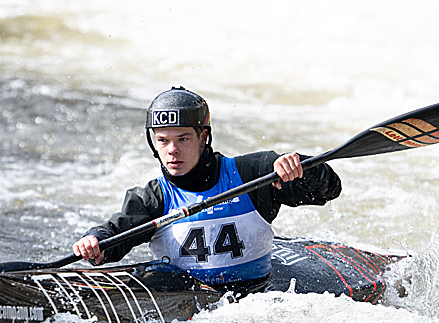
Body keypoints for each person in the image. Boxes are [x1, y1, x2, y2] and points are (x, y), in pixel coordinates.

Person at [72, 87, 342, 297]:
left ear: (203, 137)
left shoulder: (253, 174)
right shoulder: (153, 197)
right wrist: (95, 240)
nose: (172, 151)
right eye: (163, 140)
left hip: (257, 296)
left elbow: (328, 190)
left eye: (183, 139)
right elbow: (115, 234)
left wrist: (302, 168)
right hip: (186, 297)